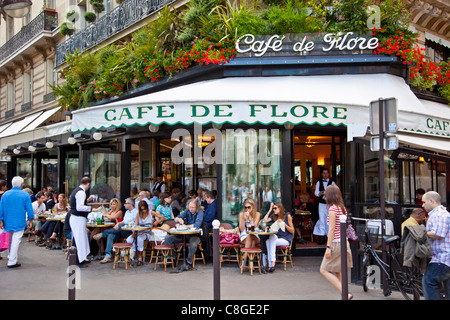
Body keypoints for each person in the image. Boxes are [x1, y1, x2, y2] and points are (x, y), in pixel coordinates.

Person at [319, 184, 353, 300]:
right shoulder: (342, 207)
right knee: (338, 271)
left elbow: (332, 229)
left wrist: (328, 247)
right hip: (343, 242)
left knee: (323, 270)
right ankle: (344, 294)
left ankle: (345, 293)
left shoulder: (333, 209)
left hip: (336, 243)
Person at [0, 176, 34, 268]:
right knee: (16, 240)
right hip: (19, 220)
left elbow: (1, 209)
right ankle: (12, 260)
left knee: (10, 240)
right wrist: (30, 220)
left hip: (7, 220)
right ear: (21, 185)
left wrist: (1, 220)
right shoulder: (25, 195)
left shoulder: (5, 195)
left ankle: (11, 256)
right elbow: (29, 210)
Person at [421, 191, 450, 300]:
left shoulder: (439, 215)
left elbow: (438, 234)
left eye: (424, 202)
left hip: (442, 258)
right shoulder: (441, 214)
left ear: (431, 201)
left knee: (428, 281)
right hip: (445, 258)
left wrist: (421, 233)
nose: (422, 205)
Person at [165, 198, 204, 271]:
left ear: (197, 207)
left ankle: (189, 263)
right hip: (184, 235)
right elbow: (176, 219)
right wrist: (179, 219)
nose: (191, 209)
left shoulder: (200, 212)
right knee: (168, 238)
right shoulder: (187, 211)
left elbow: (197, 225)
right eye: (190, 207)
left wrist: (185, 226)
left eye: (193, 207)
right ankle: (171, 258)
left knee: (193, 244)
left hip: (195, 235)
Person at [96, 198, 137, 264]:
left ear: (130, 204)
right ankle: (107, 256)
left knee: (121, 226)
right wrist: (119, 223)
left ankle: (103, 234)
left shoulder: (135, 212)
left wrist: (119, 223)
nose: (124, 205)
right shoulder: (127, 212)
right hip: (120, 230)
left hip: (129, 232)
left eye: (125, 203)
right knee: (111, 235)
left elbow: (127, 221)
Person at [69, 176, 95, 268]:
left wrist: (87, 201)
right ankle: (78, 261)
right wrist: (91, 208)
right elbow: (79, 207)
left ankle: (81, 258)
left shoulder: (77, 190)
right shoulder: (81, 192)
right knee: (79, 239)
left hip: (76, 218)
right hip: (78, 218)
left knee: (79, 239)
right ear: (88, 184)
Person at [262, 202, 294, 272]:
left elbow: (292, 231)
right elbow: (264, 221)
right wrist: (270, 210)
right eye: (273, 208)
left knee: (271, 240)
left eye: (275, 208)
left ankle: (272, 263)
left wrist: (284, 224)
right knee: (269, 240)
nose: (274, 210)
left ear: (280, 208)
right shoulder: (275, 216)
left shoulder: (287, 215)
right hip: (278, 238)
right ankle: (271, 264)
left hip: (286, 239)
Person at [126, 200, 154, 265]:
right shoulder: (138, 214)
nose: (143, 211)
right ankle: (132, 255)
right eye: (141, 209)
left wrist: (157, 222)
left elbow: (162, 217)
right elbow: (136, 225)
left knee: (139, 239)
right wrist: (133, 233)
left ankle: (139, 256)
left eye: (144, 209)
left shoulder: (151, 212)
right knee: (129, 239)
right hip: (139, 232)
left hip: (147, 232)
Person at [313, 168, 336, 245]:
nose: (325, 175)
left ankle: (329, 237)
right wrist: (321, 192)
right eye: (324, 173)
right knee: (322, 219)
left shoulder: (332, 182)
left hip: (330, 204)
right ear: (322, 174)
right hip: (322, 204)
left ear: (328, 174)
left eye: (327, 173)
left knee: (330, 220)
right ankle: (321, 237)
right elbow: (316, 193)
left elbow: (336, 192)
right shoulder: (319, 183)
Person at [238, 198, 261, 268]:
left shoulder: (257, 214)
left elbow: (254, 226)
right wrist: (244, 219)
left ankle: (244, 261)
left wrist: (249, 218)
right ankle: (251, 264)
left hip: (255, 235)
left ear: (253, 207)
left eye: (249, 207)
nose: (247, 209)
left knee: (251, 236)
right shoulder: (241, 214)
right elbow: (241, 229)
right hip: (245, 235)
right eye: (245, 207)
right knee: (251, 240)